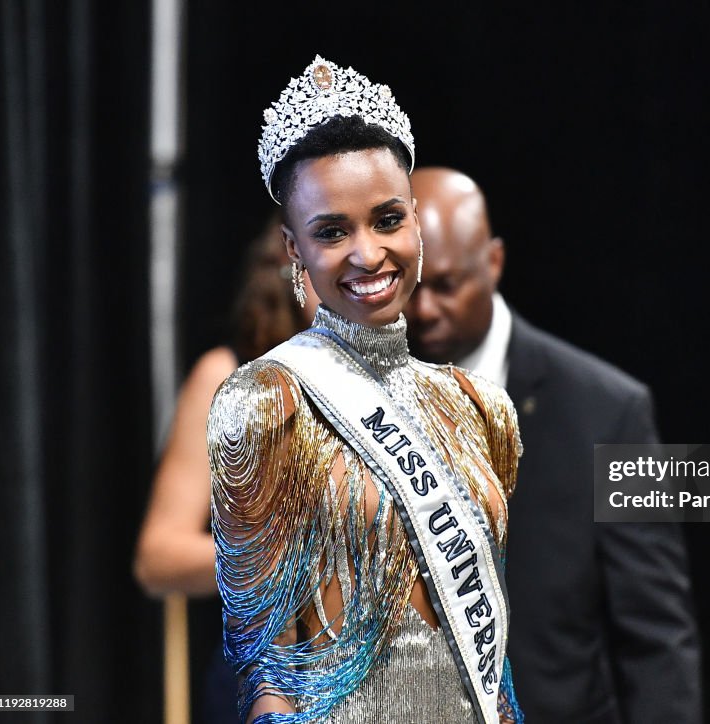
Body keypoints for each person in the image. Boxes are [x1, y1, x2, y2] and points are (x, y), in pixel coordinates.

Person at [206, 57, 524, 723]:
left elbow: (492, 659)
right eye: (331, 231)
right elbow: (264, 662)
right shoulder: (268, 404)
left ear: (415, 219)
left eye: (386, 219)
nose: (367, 253)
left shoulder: (480, 407)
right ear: (294, 249)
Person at [405, 167, 702, 724]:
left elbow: (657, 633)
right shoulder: (351, 395)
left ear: (492, 264)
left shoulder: (609, 413)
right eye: (411, 286)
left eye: (445, 285)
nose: (423, 310)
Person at [133, 215, 322, 722]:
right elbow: (159, 556)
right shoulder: (229, 377)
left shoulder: (407, 375)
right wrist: (285, 556)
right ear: (292, 265)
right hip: (274, 672)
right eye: (332, 239)